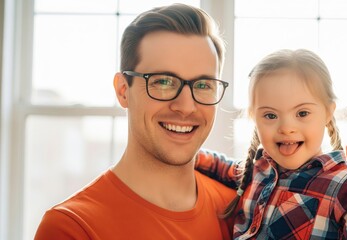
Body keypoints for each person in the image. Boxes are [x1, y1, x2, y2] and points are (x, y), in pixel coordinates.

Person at [34, 3, 236, 239]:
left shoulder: (241, 212)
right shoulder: (72, 228)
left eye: (203, 85)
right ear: (122, 90)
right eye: (163, 82)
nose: (185, 107)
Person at [196, 49, 347, 239]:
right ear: (254, 117)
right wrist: (187, 154)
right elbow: (221, 166)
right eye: (270, 115)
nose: (287, 127)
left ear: (328, 113)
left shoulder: (342, 186)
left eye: (302, 113)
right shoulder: (257, 170)